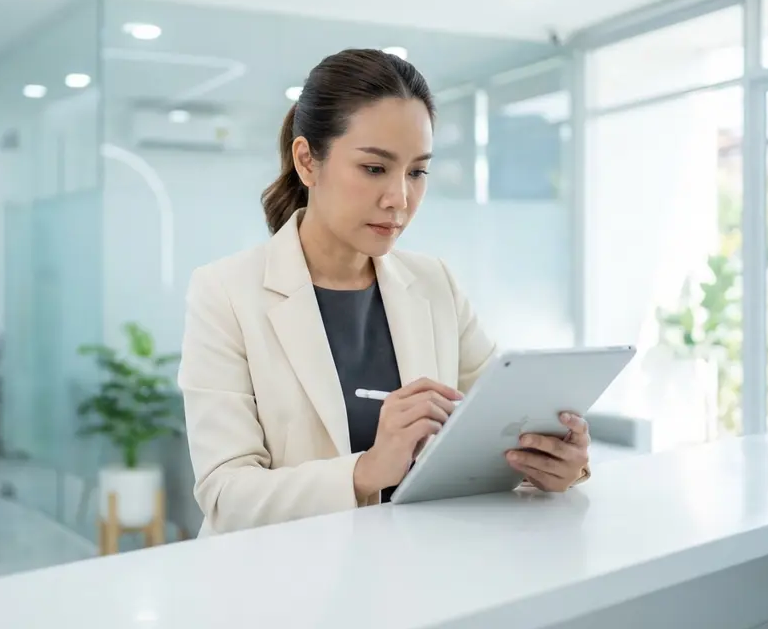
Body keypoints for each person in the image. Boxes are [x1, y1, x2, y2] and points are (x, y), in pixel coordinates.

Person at [177, 48, 590, 537]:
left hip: (411, 579)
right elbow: (225, 495)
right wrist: (368, 469)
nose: (399, 198)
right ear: (308, 161)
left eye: (417, 172)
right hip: (285, 591)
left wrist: (558, 461)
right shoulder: (225, 292)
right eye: (375, 169)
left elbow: (504, 416)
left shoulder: (435, 283)